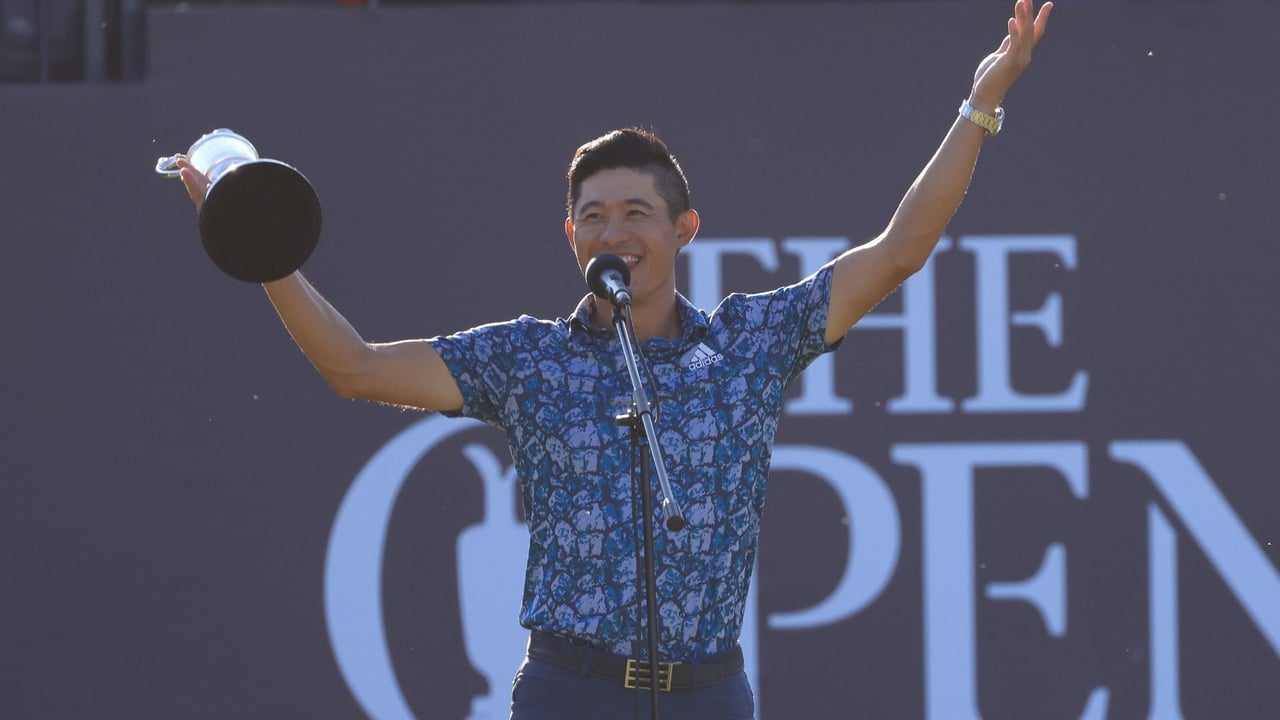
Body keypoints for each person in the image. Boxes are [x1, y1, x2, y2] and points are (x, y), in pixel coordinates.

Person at [175, 2, 1052, 717]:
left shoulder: (748, 343)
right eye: (593, 215)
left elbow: (899, 250)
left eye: (636, 212)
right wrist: (263, 247)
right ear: (569, 234)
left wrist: (982, 103)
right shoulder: (531, 360)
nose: (614, 231)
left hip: (711, 693)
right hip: (570, 691)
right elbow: (356, 368)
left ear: (684, 229)